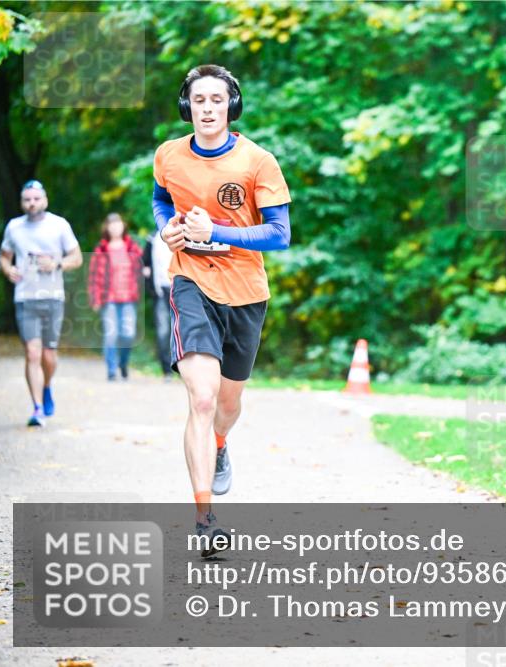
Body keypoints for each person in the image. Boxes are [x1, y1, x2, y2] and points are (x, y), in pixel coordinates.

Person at [152, 64, 291, 556]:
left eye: (216, 100)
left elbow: (279, 234)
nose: (206, 108)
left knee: (228, 406)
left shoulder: (257, 161)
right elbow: (160, 199)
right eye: (198, 100)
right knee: (203, 399)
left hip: (247, 292)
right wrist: (168, 228)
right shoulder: (169, 155)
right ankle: (205, 518)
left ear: (230, 105)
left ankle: (220, 445)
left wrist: (218, 232)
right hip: (190, 282)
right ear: (185, 105)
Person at [0, 180, 83, 427]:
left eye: (36, 199)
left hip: (53, 297)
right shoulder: (14, 227)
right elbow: (5, 257)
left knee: (48, 355)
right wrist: (8, 270)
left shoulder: (59, 225)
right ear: (22, 202)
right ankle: (36, 408)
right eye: (27, 199)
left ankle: (46, 386)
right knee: (32, 353)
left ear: (44, 199)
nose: (32, 203)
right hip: (25, 297)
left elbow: (76, 258)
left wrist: (56, 264)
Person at [88, 213, 143, 381]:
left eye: (117, 223)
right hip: (109, 299)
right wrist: (95, 298)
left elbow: (143, 265)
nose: (115, 227)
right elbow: (93, 277)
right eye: (111, 224)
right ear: (107, 227)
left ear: (123, 226)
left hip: (129, 298)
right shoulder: (101, 249)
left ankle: (123, 363)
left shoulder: (132, 247)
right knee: (111, 335)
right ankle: (112, 370)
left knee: (128, 334)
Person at [143, 230, 174, 379]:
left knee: (182, 330)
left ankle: (183, 368)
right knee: (163, 331)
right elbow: (146, 264)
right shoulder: (152, 238)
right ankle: (166, 369)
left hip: (180, 289)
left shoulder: (183, 232)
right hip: (160, 290)